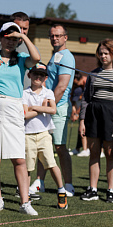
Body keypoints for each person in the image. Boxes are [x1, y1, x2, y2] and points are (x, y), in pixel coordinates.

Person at [0, 22, 41, 215]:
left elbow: (37, 58)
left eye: (15, 39)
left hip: (14, 107)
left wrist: (23, 37)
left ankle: (24, 202)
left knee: (18, 158)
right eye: (8, 38)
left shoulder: (21, 58)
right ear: (0, 38)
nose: (11, 42)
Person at [78, 39, 113, 203]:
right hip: (94, 115)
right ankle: (93, 189)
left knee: (111, 154)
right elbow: (86, 99)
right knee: (94, 153)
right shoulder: (93, 73)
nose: (103, 56)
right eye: (101, 53)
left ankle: (110, 191)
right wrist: (82, 120)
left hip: (112, 116)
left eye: (106, 53)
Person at [30, 24, 75, 197]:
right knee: (44, 145)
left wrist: (48, 107)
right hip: (49, 107)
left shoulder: (66, 57)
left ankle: (69, 185)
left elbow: (62, 86)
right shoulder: (55, 56)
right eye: (52, 36)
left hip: (58, 107)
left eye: (58, 36)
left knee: (60, 147)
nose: (54, 38)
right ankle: (39, 182)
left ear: (65, 37)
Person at [23, 63, 68, 209]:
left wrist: (34, 107)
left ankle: (61, 190)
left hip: (44, 134)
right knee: (28, 167)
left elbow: (53, 110)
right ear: (29, 75)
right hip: (27, 134)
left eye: (41, 75)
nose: (38, 77)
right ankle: (26, 195)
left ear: (45, 78)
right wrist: (42, 109)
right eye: (35, 74)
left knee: (51, 163)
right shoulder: (24, 93)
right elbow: (24, 115)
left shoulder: (48, 92)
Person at [69, 72, 89, 157]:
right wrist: (74, 113)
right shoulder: (77, 88)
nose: (75, 84)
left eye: (76, 82)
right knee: (80, 130)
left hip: (88, 109)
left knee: (84, 130)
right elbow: (74, 102)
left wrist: (77, 114)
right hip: (81, 109)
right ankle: (78, 148)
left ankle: (86, 149)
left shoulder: (86, 82)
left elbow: (84, 102)